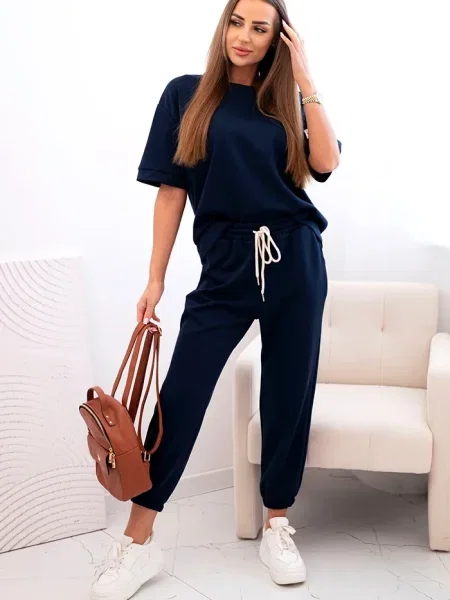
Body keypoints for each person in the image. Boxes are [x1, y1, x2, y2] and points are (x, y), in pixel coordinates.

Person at [91, 0, 341, 597]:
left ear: (278, 39)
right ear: (223, 25)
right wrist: (155, 279)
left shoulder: (285, 101)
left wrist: (305, 78)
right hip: (225, 265)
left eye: (261, 28)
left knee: (288, 392)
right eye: (237, 22)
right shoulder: (186, 94)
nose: (244, 37)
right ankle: (138, 541)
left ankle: (277, 525)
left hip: (293, 257)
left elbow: (326, 162)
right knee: (180, 397)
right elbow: (171, 191)